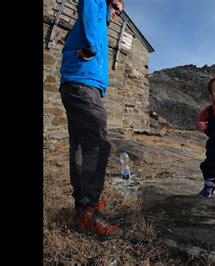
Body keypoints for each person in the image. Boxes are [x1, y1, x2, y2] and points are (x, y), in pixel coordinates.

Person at [58, 0, 124, 240]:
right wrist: (91, 47)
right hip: (83, 85)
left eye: (120, 11)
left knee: (80, 146)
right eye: (115, 6)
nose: (117, 13)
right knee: (99, 142)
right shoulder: (95, 11)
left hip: (78, 85)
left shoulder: (100, 24)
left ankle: (82, 204)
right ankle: (89, 208)